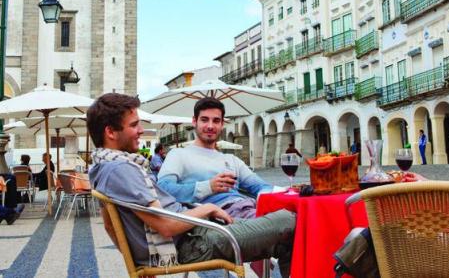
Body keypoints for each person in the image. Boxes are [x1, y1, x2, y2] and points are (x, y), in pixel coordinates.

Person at [88, 93, 295, 276]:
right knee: (292, 221)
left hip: (199, 233)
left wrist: (134, 259)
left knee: (290, 239)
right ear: (111, 132)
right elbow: (167, 226)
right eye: (134, 125)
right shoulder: (120, 169)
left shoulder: (105, 166)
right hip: (193, 241)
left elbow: (108, 224)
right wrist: (209, 207)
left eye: (216, 121)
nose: (141, 130)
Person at [158, 97, 274, 219]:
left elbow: (261, 186)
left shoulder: (231, 159)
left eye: (216, 121)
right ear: (194, 121)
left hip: (249, 208)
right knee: (287, 222)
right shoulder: (178, 154)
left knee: (291, 216)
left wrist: (288, 192)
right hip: (220, 220)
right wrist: (208, 187)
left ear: (222, 124)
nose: (210, 126)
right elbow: (163, 190)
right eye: (204, 120)